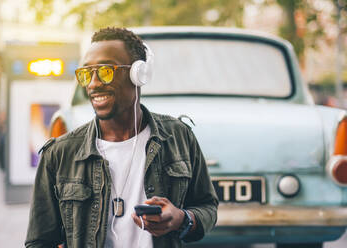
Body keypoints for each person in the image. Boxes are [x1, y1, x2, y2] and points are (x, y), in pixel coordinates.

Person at [25, 27, 218, 248]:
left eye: (106, 71)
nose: (94, 83)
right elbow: (39, 242)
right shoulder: (59, 154)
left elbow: (207, 207)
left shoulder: (178, 137)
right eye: (87, 73)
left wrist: (182, 219)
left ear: (139, 73)